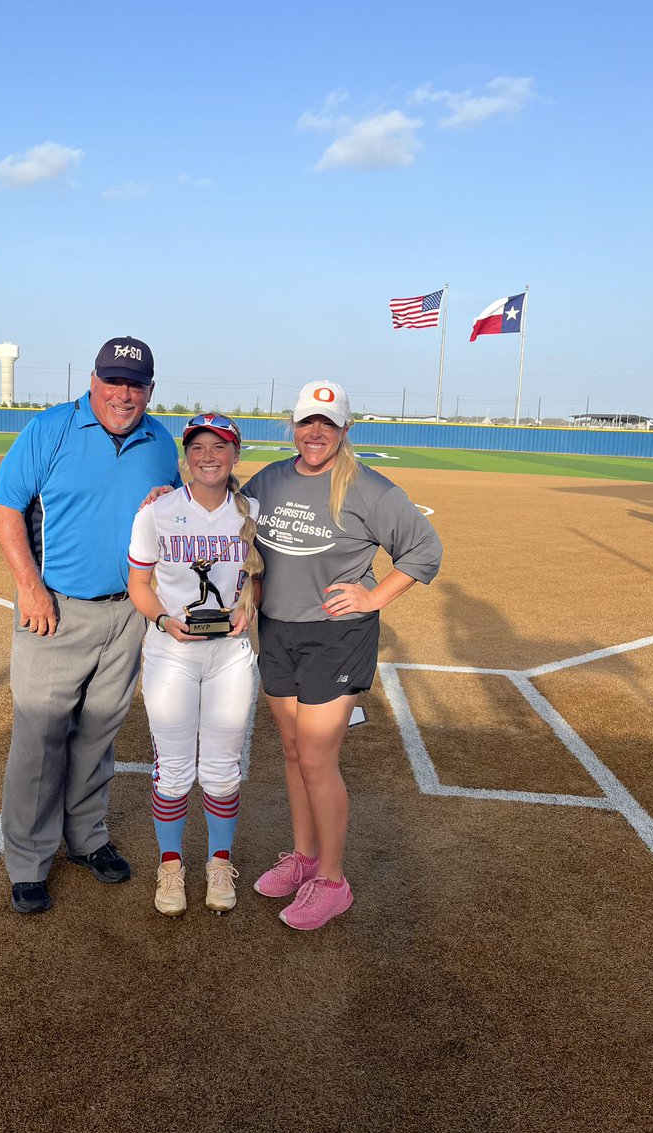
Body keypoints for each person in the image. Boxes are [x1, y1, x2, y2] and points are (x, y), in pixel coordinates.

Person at [0, 337, 181, 914]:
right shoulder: (50, 429)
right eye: (115, 380)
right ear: (93, 379)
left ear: (151, 389)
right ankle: (28, 861)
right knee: (40, 740)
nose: (125, 394)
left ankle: (87, 837)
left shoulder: (160, 440)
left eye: (137, 384)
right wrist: (30, 587)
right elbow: (5, 507)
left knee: (99, 734)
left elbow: (180, 510)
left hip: (128, 611)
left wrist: (171, 499)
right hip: (57, 609)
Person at [243, 381, 442, 931]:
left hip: (337, 638)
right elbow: (226, 512)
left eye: (327, 424)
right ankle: (304, 858)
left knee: (315, 757)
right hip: (277, 631)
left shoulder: (369, 489)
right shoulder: (271, 480)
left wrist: (374, 596)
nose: (315, 433)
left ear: (344, 430)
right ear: (293, 425)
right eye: (308, 422)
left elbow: (426, 549)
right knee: (289, 749)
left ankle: (332, 881)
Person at [127, 414, 262, 917]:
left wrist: (249, 602)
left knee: (223, 769)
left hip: (229, 654)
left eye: (220, 446)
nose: (209, 456)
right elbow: (140, 584)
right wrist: (162, 619)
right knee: (176, 770)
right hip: (172, 652)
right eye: (198, 446)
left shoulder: (252, 510)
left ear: (235, 454)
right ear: (186, 455)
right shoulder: (157, 512)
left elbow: (257, 578)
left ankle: (219, 862)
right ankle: (170, 865)